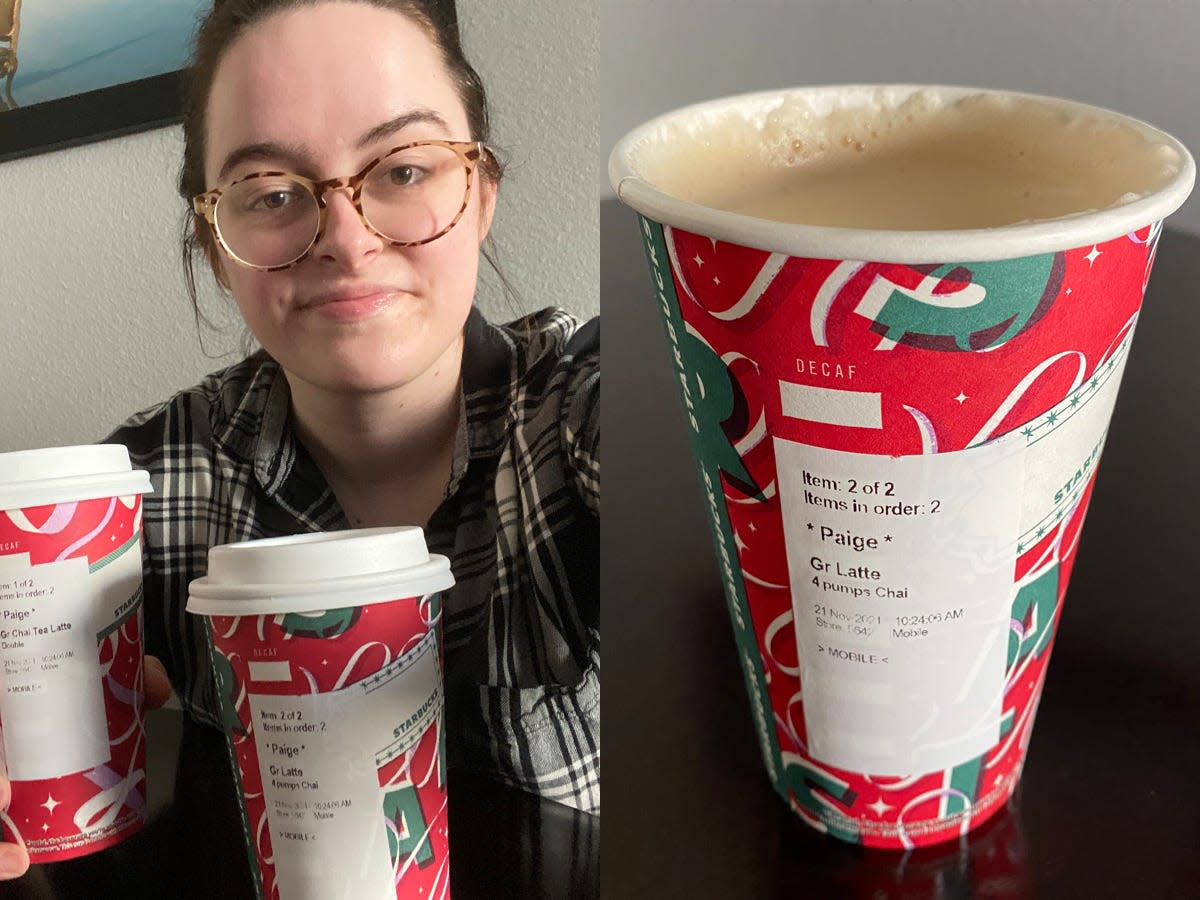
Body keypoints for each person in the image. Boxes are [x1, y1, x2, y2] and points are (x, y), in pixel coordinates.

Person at [0, 0, 598, 881]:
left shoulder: (579, 407)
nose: (348, 242)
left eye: (402, 170)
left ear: (480, 198)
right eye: (274, 194)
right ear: (214, 242)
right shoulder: (143, 490)